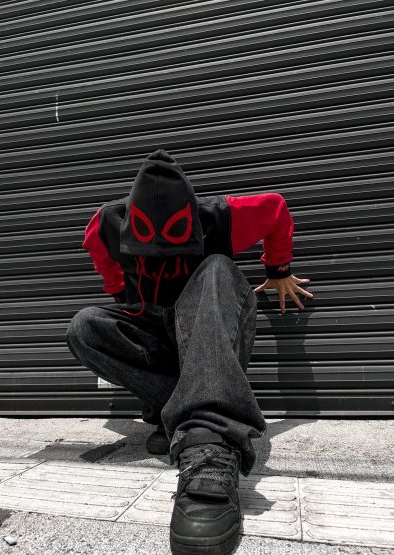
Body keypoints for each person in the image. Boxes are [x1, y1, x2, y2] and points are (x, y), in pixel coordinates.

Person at [65, 148, 313, 555]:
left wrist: (278, 270)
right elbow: (100, 255)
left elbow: (277, 209)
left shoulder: (221, 216)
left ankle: (210, 438)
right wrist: (120, 294)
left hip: (206, 323)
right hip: (155, 328)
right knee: (84, 327)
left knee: (217, 267)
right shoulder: (107, 222)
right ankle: (181, 412)